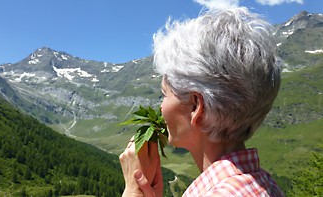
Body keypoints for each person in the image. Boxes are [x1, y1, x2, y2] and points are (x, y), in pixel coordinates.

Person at [119, 6, 284, 197]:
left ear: (196, 107)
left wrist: (133, 192)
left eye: (165, 94)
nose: (161, 107)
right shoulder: (266, 185)